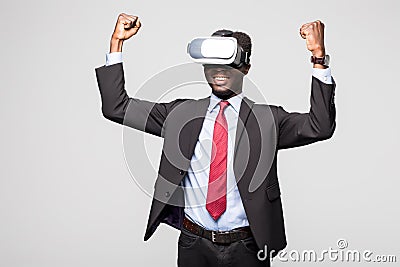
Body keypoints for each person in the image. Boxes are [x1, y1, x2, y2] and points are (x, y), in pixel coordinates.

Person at [95, 13, 336, 267]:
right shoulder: (179, 115)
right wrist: (116, 44)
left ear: (246, 68)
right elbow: (116, 107)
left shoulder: (268, 120)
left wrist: (319, 59)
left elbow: (319, 126)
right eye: (213, 63)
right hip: (193, 244)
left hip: (247, 246)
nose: (219, 71)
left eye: (229, 64)